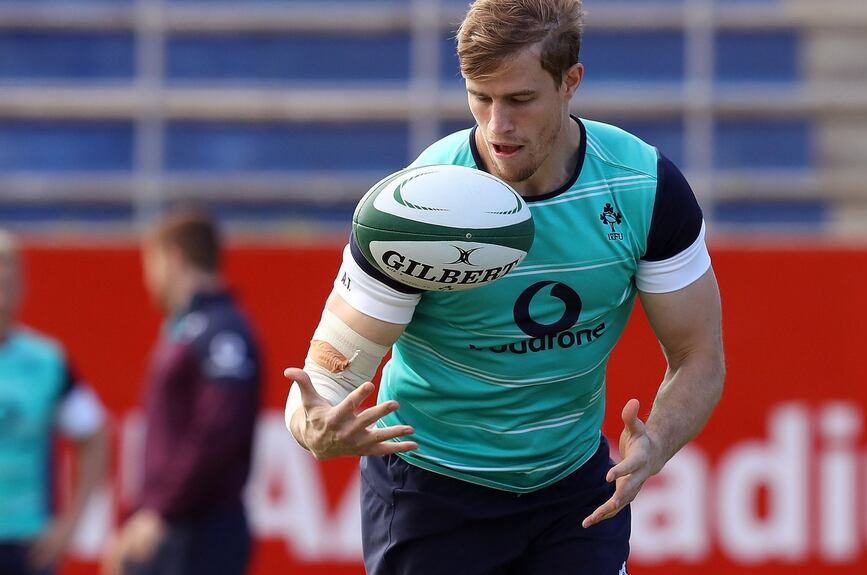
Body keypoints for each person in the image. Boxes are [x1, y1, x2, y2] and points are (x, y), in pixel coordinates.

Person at [285, 0, 725, 573]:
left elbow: (699, 355)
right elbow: (328, 373)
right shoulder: (418, 210)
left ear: (571, 83)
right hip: (433, 490)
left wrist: (657, 443)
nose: (497, 126)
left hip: (574, 493)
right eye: (480, 97)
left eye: (519, 100)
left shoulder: (644, 188)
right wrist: (312, 425)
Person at [103, 210, 261, 575]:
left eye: (150, 264)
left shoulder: (221, 332)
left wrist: (160, 511)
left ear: (172, 259)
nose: (148, 279)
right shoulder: (188, 329)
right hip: (174, 527)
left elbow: (219, 432)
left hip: (200, 531)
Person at [0, 229, 108, 575]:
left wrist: (70, 524)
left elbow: (95, 436)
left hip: (27, 545)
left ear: (23, 286)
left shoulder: (47, 362)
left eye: (10, 275)